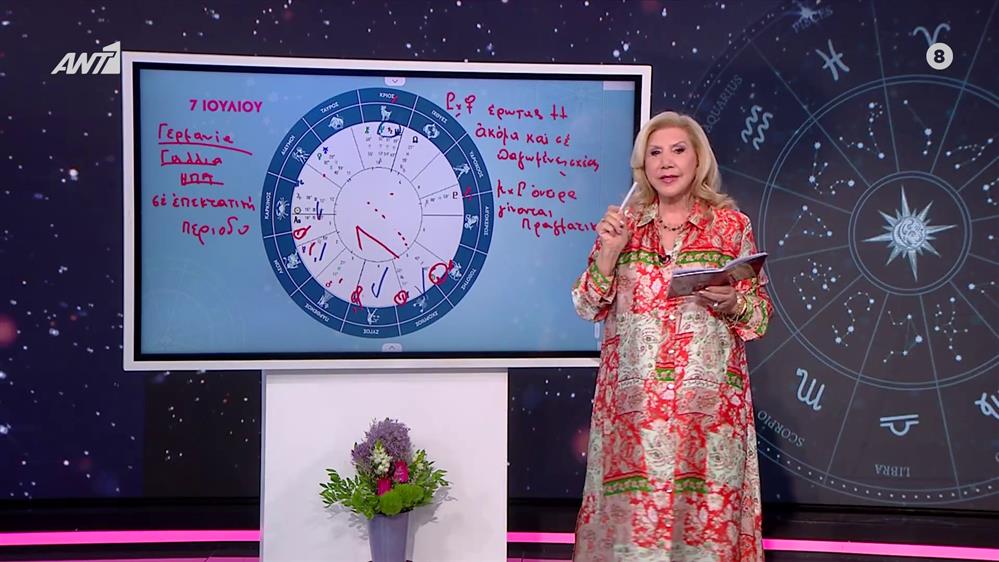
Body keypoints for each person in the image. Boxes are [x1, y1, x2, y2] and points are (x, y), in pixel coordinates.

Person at [571, 111, 772, 561]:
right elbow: (586, 306)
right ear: (642, 166)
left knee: (705, 535)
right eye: (655, 153)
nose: (666, 162)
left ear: (698, 159)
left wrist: (732, 301)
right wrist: (608, 254)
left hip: (708, 414)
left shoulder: (731, 227)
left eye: (678, 150)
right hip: (634, 417)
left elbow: (759, 319)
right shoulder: (623, 227)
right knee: (631, 539)